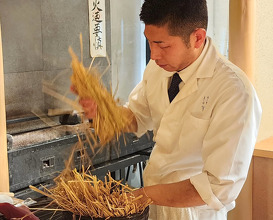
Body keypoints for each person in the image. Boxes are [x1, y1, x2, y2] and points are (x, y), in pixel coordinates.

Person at [75, 0, 262, 219]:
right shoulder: (158, 68)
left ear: (197, 38)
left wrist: (142, 195)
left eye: (163, 45)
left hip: (193, 212)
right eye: (150, 42)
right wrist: (104, 111)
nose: (153, 55)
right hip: (156, 204)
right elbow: (136, 117)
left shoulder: (234, 91)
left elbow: (218, 187)